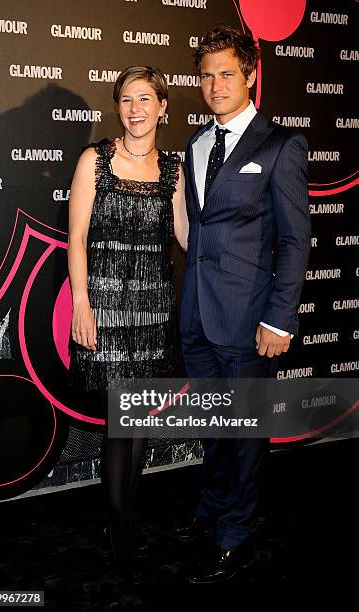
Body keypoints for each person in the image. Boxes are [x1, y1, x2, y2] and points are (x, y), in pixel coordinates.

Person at [179, 25, 311, 583]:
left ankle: (240, 525)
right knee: (213, 425)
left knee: (245, 430)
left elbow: (294, 240)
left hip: (249, 316)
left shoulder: (280, 145)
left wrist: (279, 317)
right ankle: (212, 506)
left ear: (251, 75)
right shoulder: (195, 146)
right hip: (196, 312)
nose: (215, 85)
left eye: (226, 73)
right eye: (206, 75)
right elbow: (200, 235)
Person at [67, 66, 188, 576]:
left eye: (145, 99)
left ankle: (124, 513)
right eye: (125, 99)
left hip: (153, 308)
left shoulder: (174, 170)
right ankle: (120, 524)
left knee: (137, 419)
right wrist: (81, 303)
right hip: (106, 306)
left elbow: (186, 237)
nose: (135, 108)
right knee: (122, 420)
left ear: (163, 107)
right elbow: (75, 240)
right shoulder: (94, 160)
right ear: (118, 107)